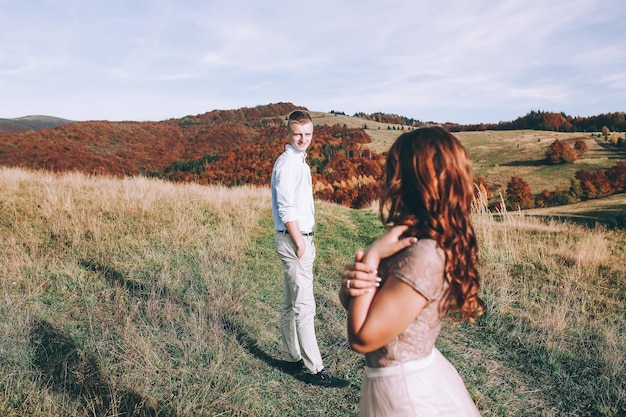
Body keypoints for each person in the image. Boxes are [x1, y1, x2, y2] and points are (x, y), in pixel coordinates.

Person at [339, 126, 484, 415]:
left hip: (404, 392)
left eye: (394, 170)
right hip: (391, 381)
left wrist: (371, 259)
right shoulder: (412, 239)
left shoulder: (424, 255)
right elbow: (370, 309)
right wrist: (353, 287)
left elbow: (362, 337)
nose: (387, 180)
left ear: (415, 181)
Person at [271, 110, 346, 387]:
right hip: (295, 241)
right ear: (288, 134)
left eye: (308, 134)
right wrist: (300, 242)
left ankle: (293, 358)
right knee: (304, 305)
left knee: (290, 303)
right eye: (298, 134)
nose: (303, 139)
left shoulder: (298, 162)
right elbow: (286, 207)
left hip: (297, 239)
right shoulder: (288, 164)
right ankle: (315, 370)